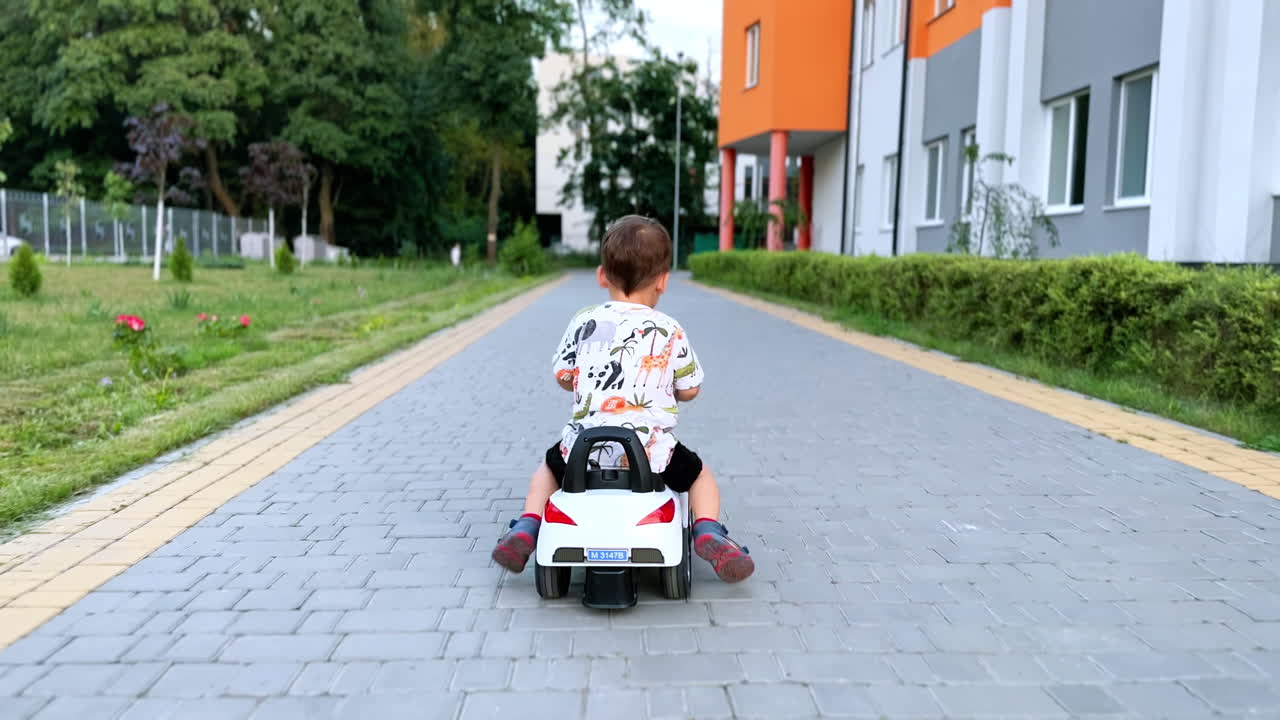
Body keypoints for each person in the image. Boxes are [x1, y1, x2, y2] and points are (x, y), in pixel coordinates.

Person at [491, 215, 754, 583]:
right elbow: (691, 388)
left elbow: (564, 377)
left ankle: (528, 525)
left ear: (602, 275)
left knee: (546, 470)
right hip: (650, 452)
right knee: (699, 476)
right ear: (664, 280)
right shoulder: (669, 328)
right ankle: (708, 529)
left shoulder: (583, 320)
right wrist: (674, 390)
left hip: (583, 450)